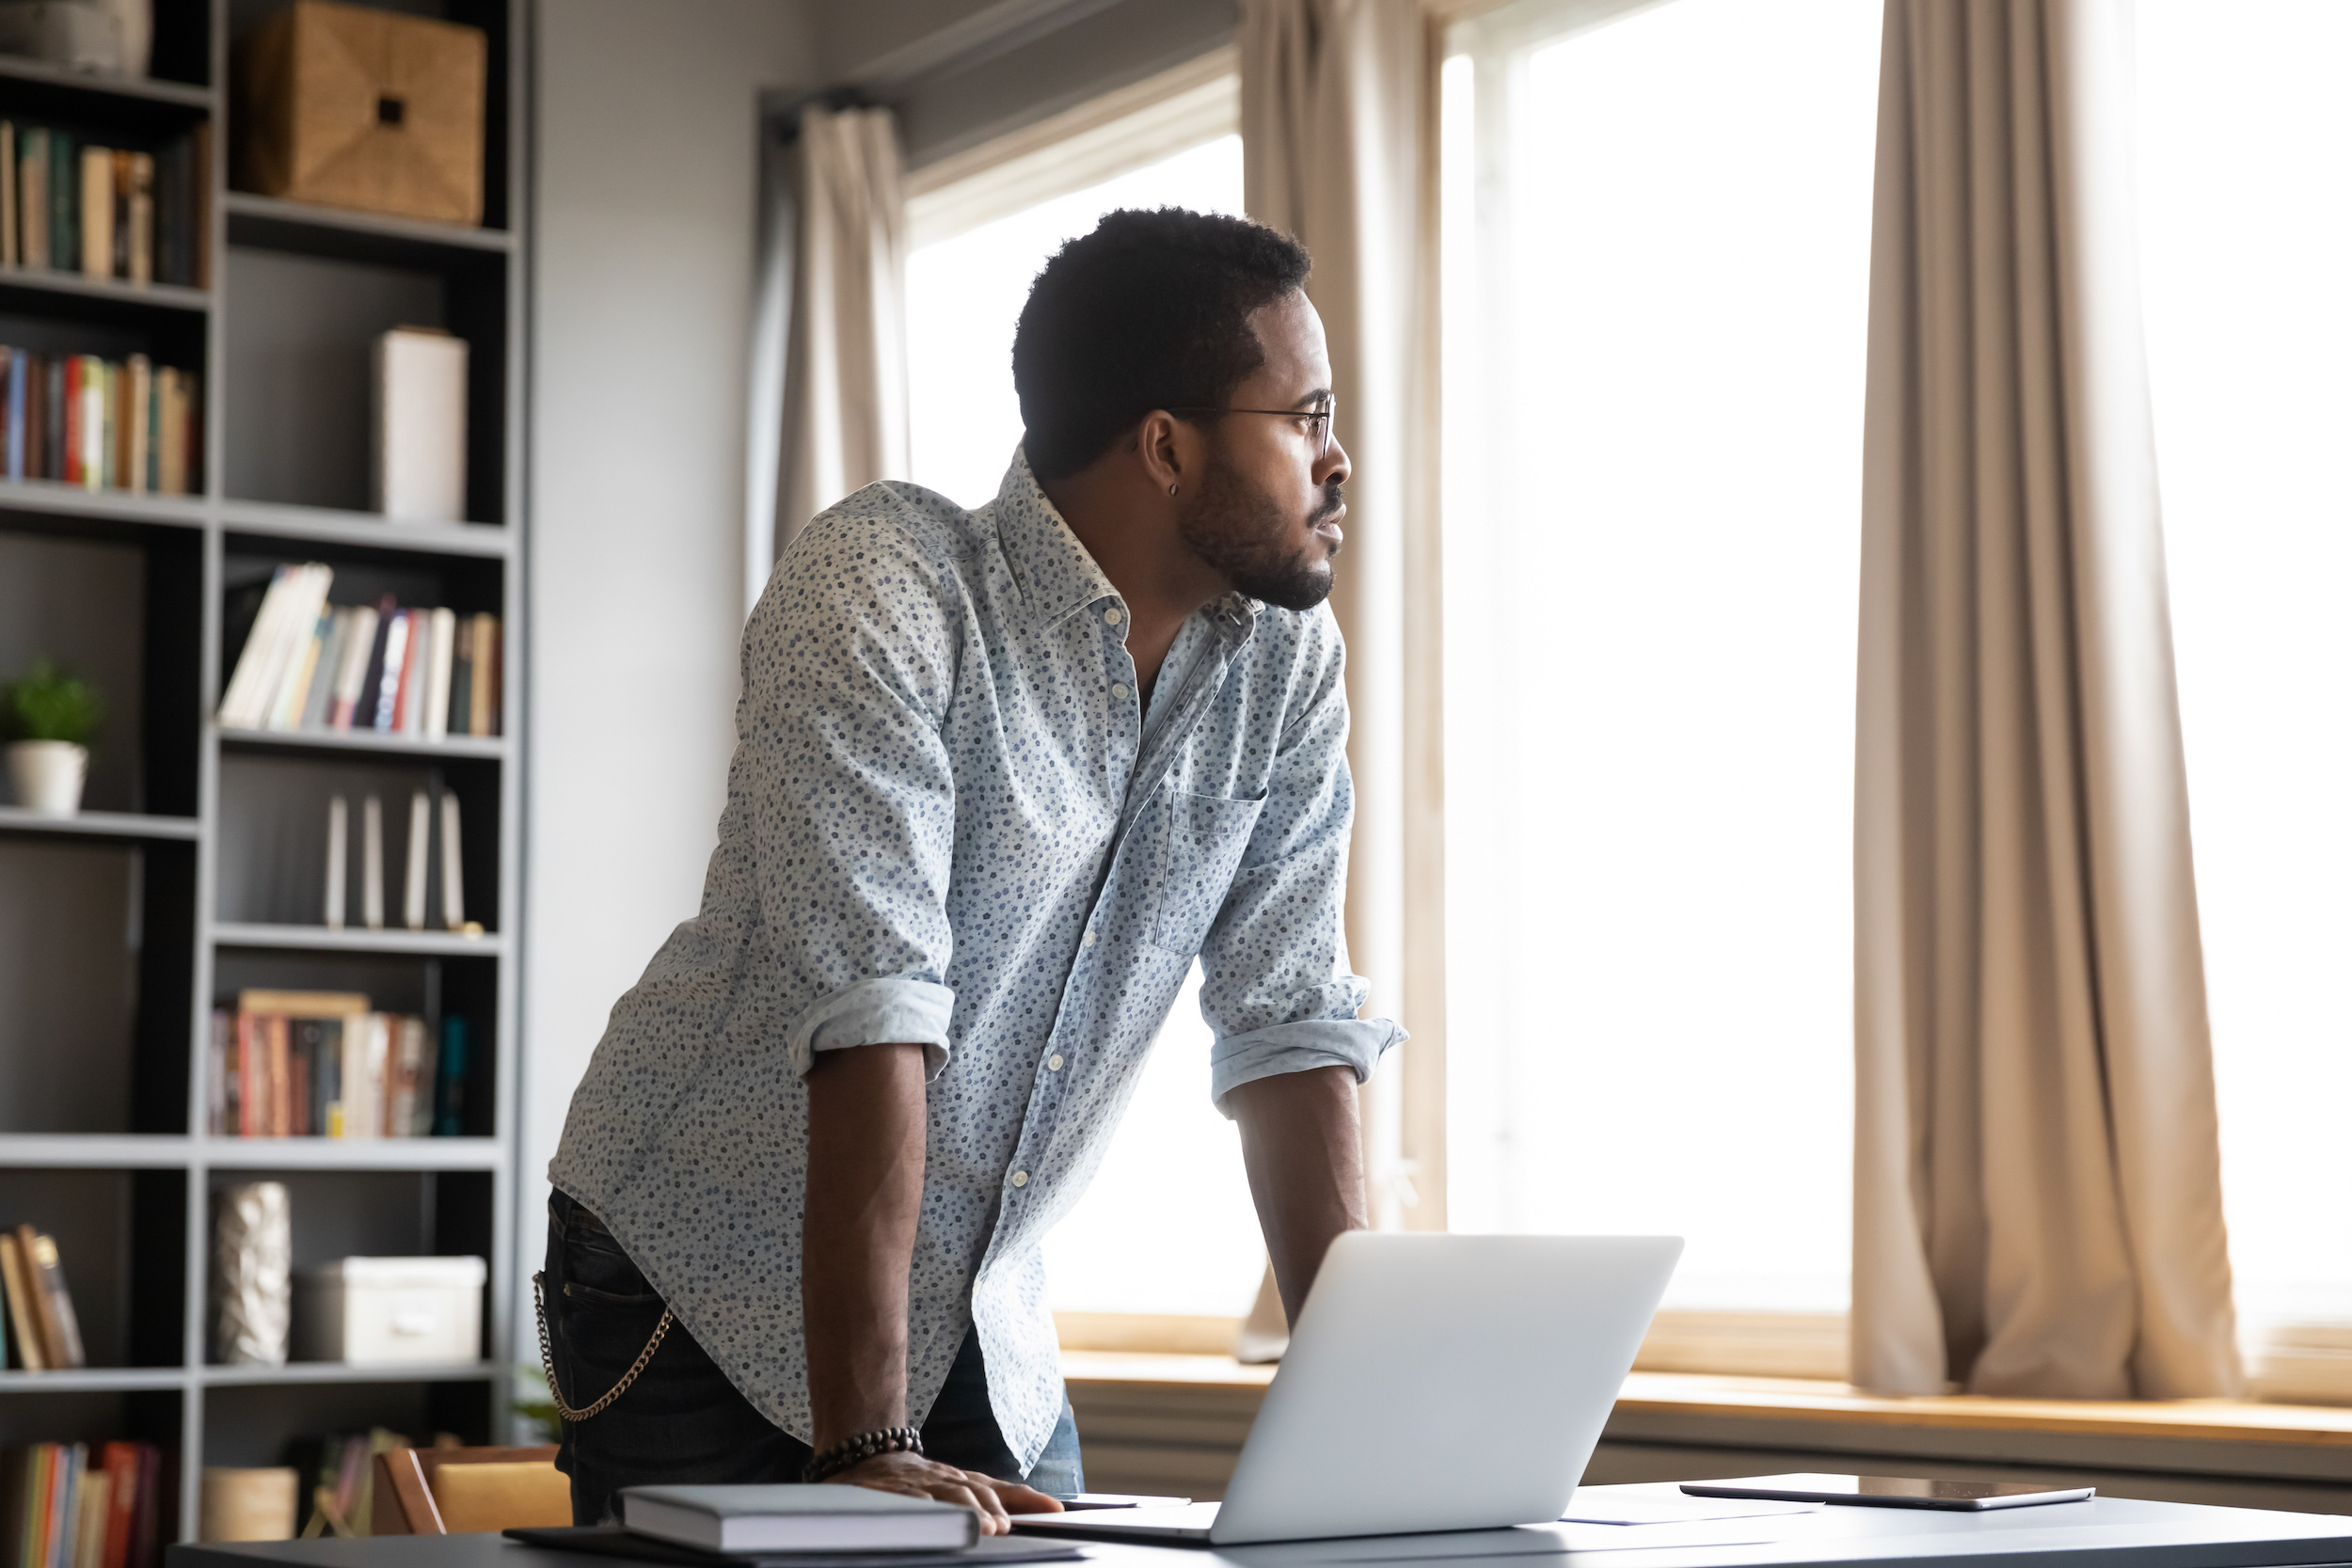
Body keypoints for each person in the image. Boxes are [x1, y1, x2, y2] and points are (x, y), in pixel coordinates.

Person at [540, 206, 1403, 1531]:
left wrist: (1374, 1444)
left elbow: (1290, 1025)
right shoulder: (885, 585)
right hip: (700, 1280)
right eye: (1308, 419)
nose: (1339, 464)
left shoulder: (1283, 667)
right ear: (1166, 447)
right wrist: (866, 1444)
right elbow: (874, 1009)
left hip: (979, 1308)